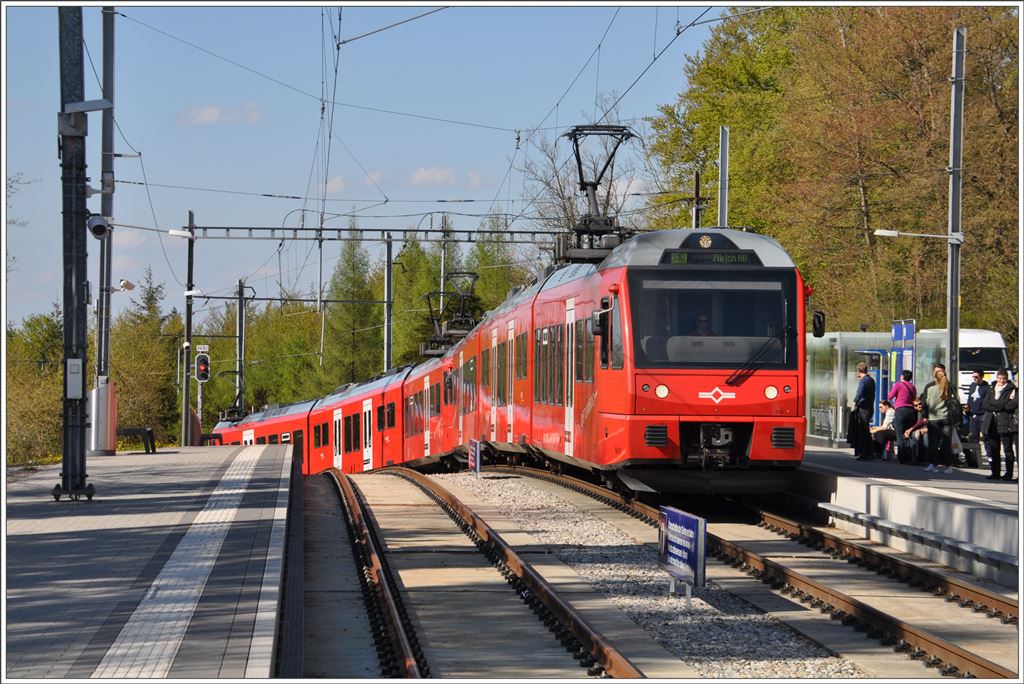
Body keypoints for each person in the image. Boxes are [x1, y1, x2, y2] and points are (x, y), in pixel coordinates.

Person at [981, 368, 1017, 481]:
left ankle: (1008, 474)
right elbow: (985, 404)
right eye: (1000, 378)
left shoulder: (1011, 389)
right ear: (997, 378)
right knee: (994, 448)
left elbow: (1008, 405)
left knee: (1007, 449)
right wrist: (999, 404)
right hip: (991, 421)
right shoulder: (992, 388)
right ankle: (995, 472)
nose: (1002, 381)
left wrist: (996, 404)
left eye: (1004, 378)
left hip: (1005, 422)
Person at [922, 368, 954, 473]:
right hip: (946, 418)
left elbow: (927, 404)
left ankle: (933, 464)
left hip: (934, 419)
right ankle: (948, 465)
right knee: (946, 443)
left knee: (934, 443)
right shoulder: (949, 388)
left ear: (936, 378)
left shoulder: (931, 389)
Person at [888, 370, 917, 463]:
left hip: (900, 410)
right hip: (911, 411)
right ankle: (911, 455)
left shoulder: (898, 385)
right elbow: (913, 398)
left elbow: (889, 396)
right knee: (908, 433)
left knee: (900, 434)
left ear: (902, 376)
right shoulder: (912, 387)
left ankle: (902, 457)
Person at [851, 362, 876, 460]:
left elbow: (860, 393)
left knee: (862, 431)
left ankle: (864, 453)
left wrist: (855, 400)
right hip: (869, 408)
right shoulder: (871, 380)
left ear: (859, 371)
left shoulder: (863, 381)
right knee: (866, 431)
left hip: (863, 408)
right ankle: (870, 452)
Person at [964, 370, 990, 467]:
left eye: (976, 377)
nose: (974, 379)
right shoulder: (972, 385)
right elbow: (970, 398)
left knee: (986, 436)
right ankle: (974, 458)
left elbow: (986, 401)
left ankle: (989, 456)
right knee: (973, 437)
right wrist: (967, 407)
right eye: (973, 377)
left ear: (981, 377)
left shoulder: (987, 388)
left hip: (982, 414)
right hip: (972, 415)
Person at [902, 397, 929, 464]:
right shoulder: (914, 413)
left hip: (928, 429)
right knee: (912, 435)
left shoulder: (926, 411)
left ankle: (925, 459)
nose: (918, 406)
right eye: (916, 405)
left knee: (926, 436)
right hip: (918, 430)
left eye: (920, 404)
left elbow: (926, 421)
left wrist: (925, 430)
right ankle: (914, 457)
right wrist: (907, 431)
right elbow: (913, 425)